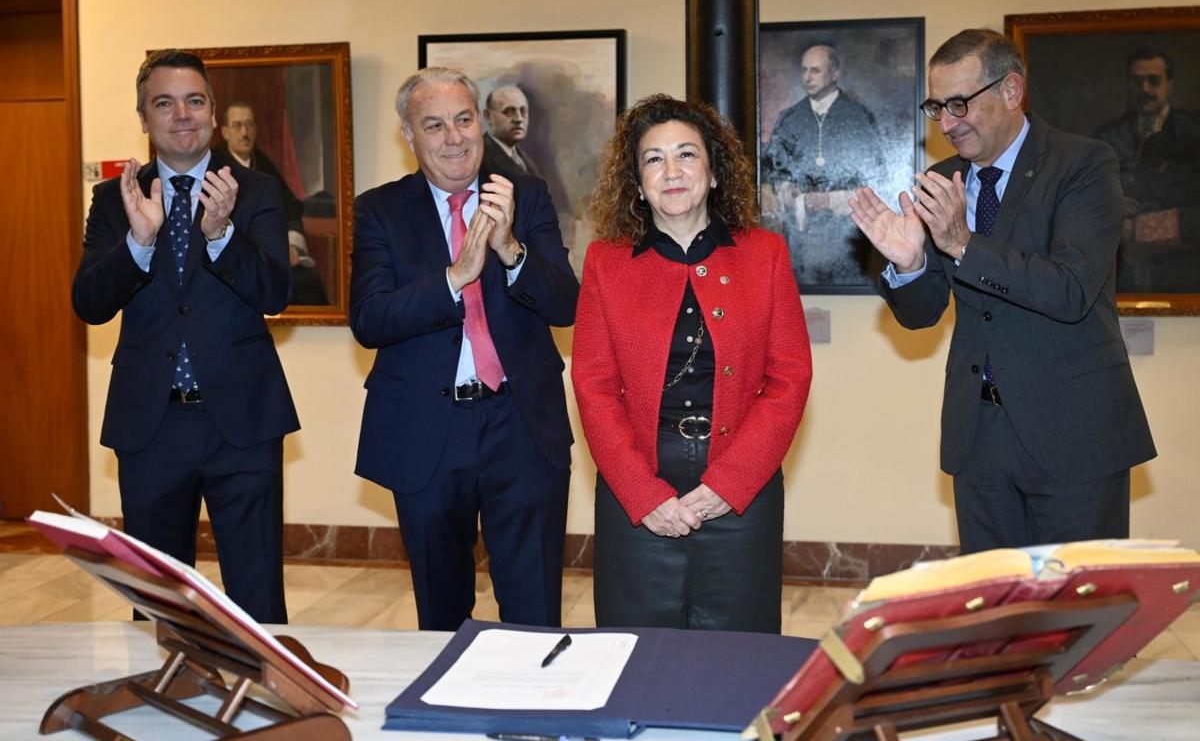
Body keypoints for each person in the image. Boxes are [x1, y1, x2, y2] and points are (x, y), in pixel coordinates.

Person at [848, 29, 1156, 554]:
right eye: (937, 107)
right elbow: (924, 315)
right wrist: (911, 264)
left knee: (1073, 620)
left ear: (1011, 91)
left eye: (960, 104)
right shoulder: (944, 180)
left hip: (1073, 434)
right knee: (991, 616)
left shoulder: (1083, 165)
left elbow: (1071, 289)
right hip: (979, 437)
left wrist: (963, 244)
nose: (946, 124)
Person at [71, 50, 298, 622]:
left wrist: (222, 237)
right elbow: (90, 305)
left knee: (257, 595)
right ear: (143, 118)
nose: (182, 115)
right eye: (164, 103)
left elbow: (275, 293)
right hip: (151, 425)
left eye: (194, 101)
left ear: (214, 114)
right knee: (157, 602)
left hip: (243, 424)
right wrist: (138, 244)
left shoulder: (258, 192)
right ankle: (163, 705)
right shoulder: (114, 199)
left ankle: (269, 707)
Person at [572, 94, 813, 632]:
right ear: (637, 182)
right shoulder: (605, 263)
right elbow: (593, 385)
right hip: (637, 490)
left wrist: (730, 484)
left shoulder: (765, 254)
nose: (671, 171)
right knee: (635, 653)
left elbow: (789, 378)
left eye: (687, 154)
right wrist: (642, 493)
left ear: (714, 172)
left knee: (738, 658)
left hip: (740, 493)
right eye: (654, 159)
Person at [350, 67, 578, 631]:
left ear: (480, 123)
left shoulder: (525, 196)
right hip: (428, 428)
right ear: (410, 137)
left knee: (533, 607)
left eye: (463, 119)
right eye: (434, 125)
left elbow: (566, 304)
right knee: (441, 609)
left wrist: (510, 249)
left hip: (521, 424)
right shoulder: (380, 210)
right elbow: (370, 318)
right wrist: (454, 278)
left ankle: (533, 711)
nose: (454, 137)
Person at [762, 42, 886, 284]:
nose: (807, 77)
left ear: (835, 73)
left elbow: (877, 181)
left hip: (847, 236)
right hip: (801, 237)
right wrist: (786, 190)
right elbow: (774, 170)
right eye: (804, 70)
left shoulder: (858, 118)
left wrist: (829, 200)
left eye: (815, 70)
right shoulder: (790, 119)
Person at [1093, 47, 1200, 292]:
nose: (1145, 90)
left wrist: (1138, 229)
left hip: (1181, 270)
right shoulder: (1107, 137)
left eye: (1154, 80)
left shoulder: (1193, 134)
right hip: (1121, 273)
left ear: (1169, 85)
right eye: (1137, 81)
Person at [214, 100, 329, 305]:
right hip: (232, 255)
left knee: (310, 286)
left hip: (268, 250)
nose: (244, 132)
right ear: (224, 132)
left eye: (249, 125)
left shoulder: (263, 163)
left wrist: (292, 245)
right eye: (237, 125)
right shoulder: (215, 166)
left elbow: (290, 206)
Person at [482, 84, 543, 178]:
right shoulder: (479, 158)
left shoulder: (523, 159)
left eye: (523, 111)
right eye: (509, 111)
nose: (519, 119)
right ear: (488, 116)